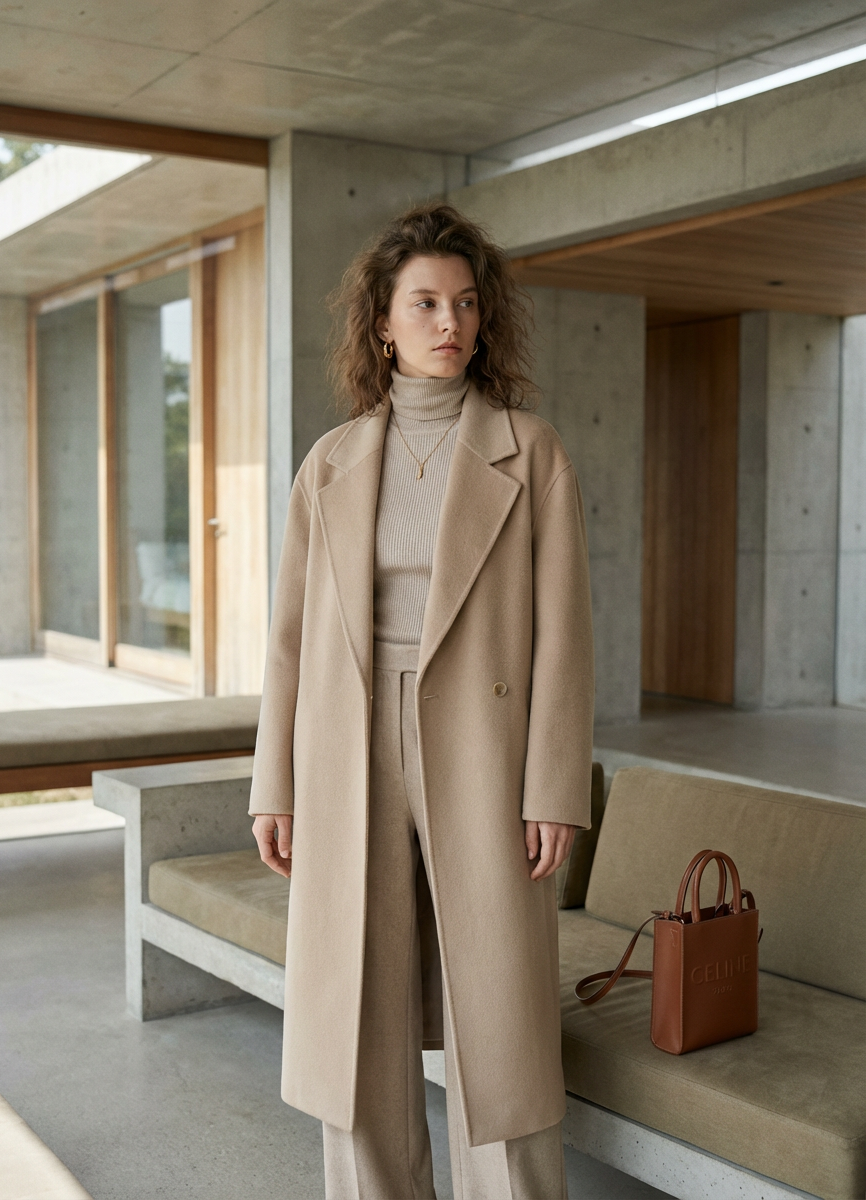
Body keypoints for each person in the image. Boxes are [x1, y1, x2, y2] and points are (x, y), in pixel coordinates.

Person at [249, 203, 594, 1200]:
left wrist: (554, 790)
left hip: (480, 742)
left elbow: (564, 639)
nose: (449, 321)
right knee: (353, 1016)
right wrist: (274, 783)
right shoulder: (331, 462)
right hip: (346, 744)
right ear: (382, 322)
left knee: (503, 1018)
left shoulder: (531, 453)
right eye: (425, 303)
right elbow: (288, 644)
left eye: (465, 303)